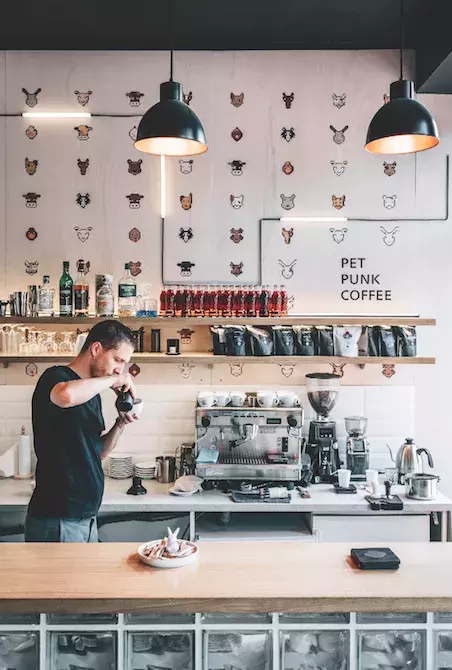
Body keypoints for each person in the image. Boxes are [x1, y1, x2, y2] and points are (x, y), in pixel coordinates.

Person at [25, 320, 139, 543]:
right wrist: (113, 379)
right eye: (118, 360)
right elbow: (64, 396)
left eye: (124, 364)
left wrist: (120, 424)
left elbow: (98, 452)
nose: (120, 369)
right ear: (96, 349)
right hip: (58, 518)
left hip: (84, 518)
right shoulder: (55, 377)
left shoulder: (92, 395)